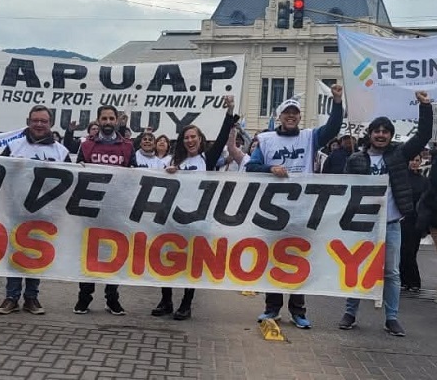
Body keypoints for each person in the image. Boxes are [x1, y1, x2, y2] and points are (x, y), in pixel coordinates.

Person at [246, 84, 344, 329]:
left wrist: (337, 102)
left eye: (295, 113)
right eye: (287, 113)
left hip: (302, 211)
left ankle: (298, 311)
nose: (291, 116)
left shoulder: (310, 137)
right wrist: (270, 168)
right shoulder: (266, 140)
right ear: (280, 116)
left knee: (299, 261)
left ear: (300, 117)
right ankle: (272, 308)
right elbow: (251, 167)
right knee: (274, 260)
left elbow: (333, 129)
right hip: (273, 212)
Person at [338, 91, 432, 337]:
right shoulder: (356, 159)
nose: (381, 134)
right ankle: (350, 313)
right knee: (357, 268)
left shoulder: (399, 155)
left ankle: (392, 318)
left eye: (385, 131)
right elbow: (344, 189)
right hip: (362, 224)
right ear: (370, 134)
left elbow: (423, 135)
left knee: (391, 273)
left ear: (391, 136)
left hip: (390, 224)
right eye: (377, 131)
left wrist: (425, 106)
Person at [154, 95, 235, 320]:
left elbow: (222, 137)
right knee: (168, 259)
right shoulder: (173, 161)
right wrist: (167, 173)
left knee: (192, 263)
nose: (190, 140)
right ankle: (166, 300)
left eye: (193, 137)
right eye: (186, 137)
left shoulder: (207, 159)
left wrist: (230, 111)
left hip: (198, 220)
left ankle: (186, 304)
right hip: (173, 218)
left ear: (200, 139)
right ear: (182, 141)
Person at [0, 105, 71, 316]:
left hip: (45, 213)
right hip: (16, 210)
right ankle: (11, 297)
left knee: (37, 254)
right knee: (15, 254)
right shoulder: (13, 147)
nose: (39, 124)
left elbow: (70, 182)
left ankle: (31, 297)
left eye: (43, 121)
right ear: (28, 122)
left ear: (50, 124)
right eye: (35, 120)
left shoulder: (61, 152)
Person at [74, 105, 136, 316]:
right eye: (104, 118)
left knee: (114, 255)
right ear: (98, 120)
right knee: (88, 255)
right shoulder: (86, 145)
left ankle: (112, 299)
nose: (108, 122)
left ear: (117, 120)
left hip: (116, 210)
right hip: (90, 210)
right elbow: (76, 173)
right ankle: (84, 297)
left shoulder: (128, 146)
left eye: (111, 118)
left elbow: (135, 176)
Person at [400, 154, 429, 293]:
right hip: (401, 219)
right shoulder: (401, 179)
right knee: (402, 251)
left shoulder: (424, 181)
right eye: (412, 160)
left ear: (421, 162)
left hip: (416, 220)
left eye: (417, 160)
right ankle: (404, 281)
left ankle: (414, 281)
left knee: (411, 251)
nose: (414, 163)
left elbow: (426, 201)